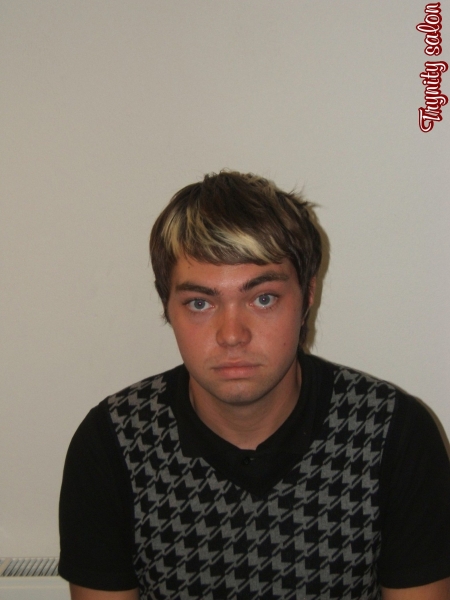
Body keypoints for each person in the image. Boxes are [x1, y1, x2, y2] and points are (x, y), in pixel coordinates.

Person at [59, 171, 450, 600]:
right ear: (167, 307)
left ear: (308, 296)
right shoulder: (114, 444)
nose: (232, 335)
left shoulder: (393, 435)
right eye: (200, 303)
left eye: (263, 298)